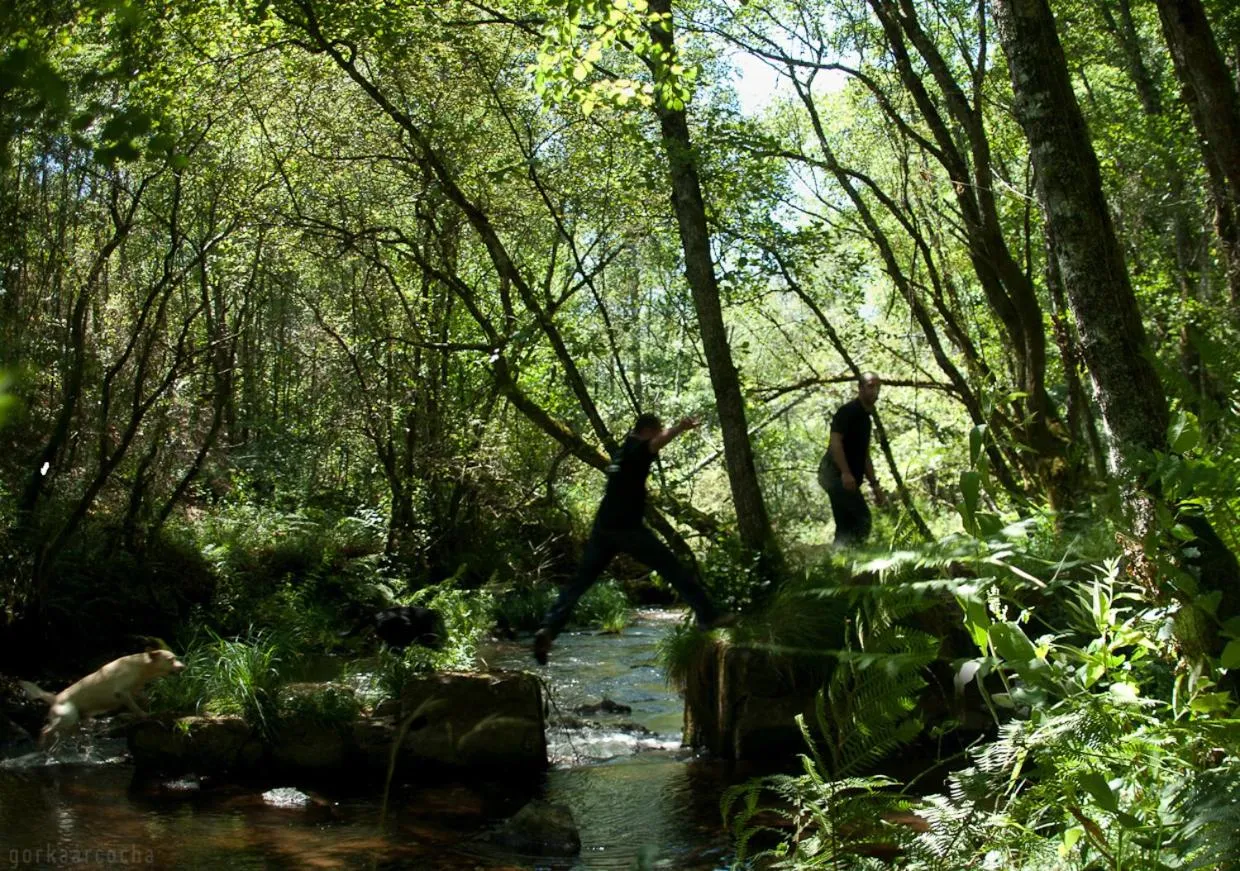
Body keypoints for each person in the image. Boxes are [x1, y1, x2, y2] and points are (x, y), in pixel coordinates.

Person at [534, 412, 730, 665]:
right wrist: (680, 427)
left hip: (602, 529)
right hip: (628, 529)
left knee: (578, 584)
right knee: (672, 567)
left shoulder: (622, 451)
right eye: (657, 432)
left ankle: (549, 628)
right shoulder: (639, 449)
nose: (658, 438)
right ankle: (707, 616)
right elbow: (655, 444)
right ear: (649, 431)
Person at [820, 373, 886, 547]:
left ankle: (839, 566)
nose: (875, 391)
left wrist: (875, 485)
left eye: (878, 387)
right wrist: (845, 473)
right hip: (833, 475)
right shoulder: (847, 412)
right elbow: (835, 443)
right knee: (862, 520)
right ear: (860, 388)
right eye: (871, 386)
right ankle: (856, 562)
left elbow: (864, 455)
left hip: (843, 477)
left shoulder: (865, 419)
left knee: (846, 526)